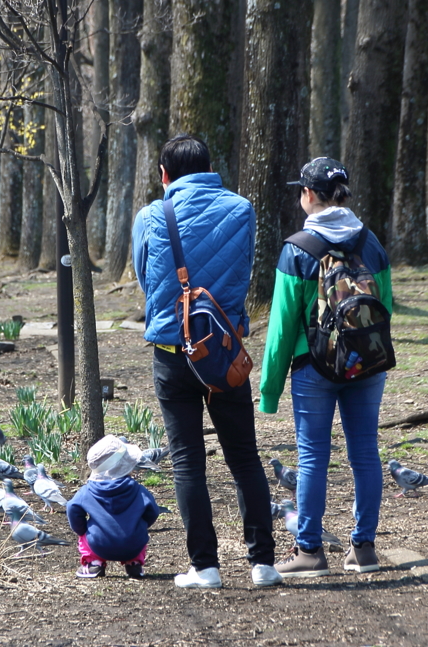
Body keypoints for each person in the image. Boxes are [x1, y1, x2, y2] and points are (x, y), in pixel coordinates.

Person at [132, 134, 280, 589]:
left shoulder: (152, 216)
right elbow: (242, 275)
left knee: (187, 463)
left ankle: (205, 566)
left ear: (164, 174)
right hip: (224, 350)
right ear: (210, 167)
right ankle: (263, 563)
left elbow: (143, 276)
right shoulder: (242, 210)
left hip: (174, 353)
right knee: (244, 456)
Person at [259, 157, 392, 578]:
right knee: (365, 453)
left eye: (301, 190)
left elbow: (281, 327)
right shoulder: (371, 243)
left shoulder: (297, 249)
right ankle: (364, 548)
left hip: (312, 366)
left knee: (313, 456)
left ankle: (310, 552)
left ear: (310, 196)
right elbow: (385, 308)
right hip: (367, 363)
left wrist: (269, 390)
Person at [66, 435, 160, 579]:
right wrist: (141, 525)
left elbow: (72, 508)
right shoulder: (137, 490)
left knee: (85, 535)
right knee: (138, 532)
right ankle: (134, 563)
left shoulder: (87, 491)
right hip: (133, 544)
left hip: (99, 543)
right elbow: (153, 511)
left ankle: (94, 564)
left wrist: (81, 530)